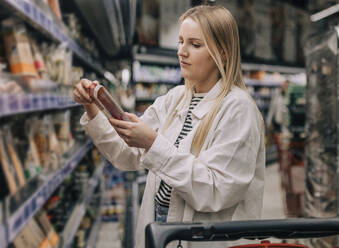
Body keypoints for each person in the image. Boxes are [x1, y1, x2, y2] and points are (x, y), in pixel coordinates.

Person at [73, 5, 265, 248]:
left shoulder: (238, 109)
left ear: (223, 53)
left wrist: (152, 143)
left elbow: (216, 191)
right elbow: (126, 155)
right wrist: (93, 107)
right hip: (163, 230)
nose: (182, 52)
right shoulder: (174, 99)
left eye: (195, 45)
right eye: (181, 41)